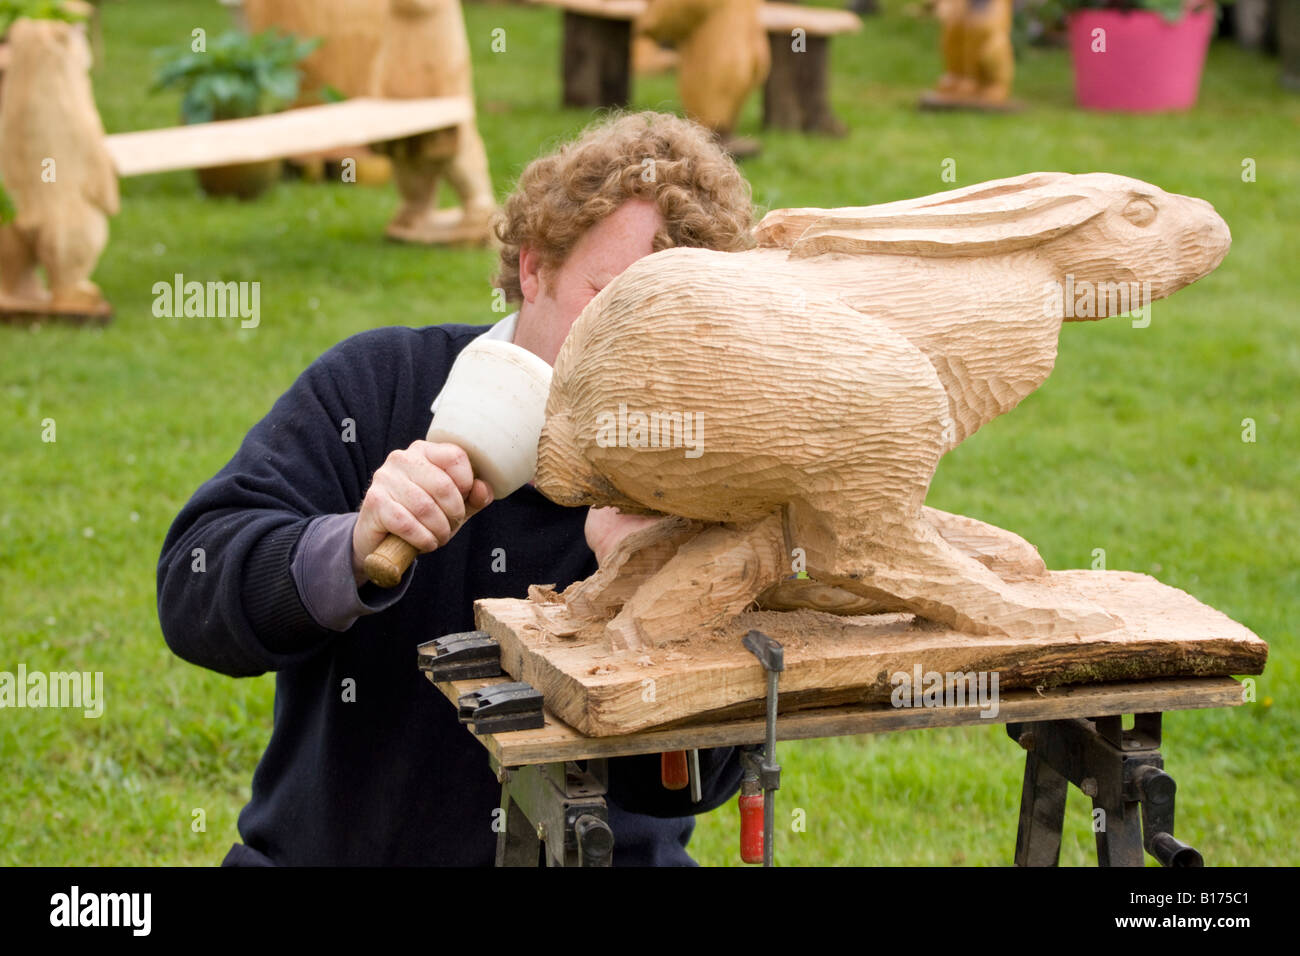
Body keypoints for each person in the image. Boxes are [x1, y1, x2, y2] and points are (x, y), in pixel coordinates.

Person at [156, 111, 758, 866]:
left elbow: (685, 788)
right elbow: (191, 591)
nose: (632, 350)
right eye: (606, 302)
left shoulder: (709, 464)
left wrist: (653, 601)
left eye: (675, 324)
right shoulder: (379, 386)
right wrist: (342, 548)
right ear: (534, 267)